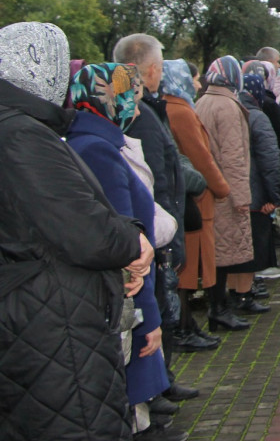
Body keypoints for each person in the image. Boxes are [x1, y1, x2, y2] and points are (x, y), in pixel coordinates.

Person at [0, 23, 152, 441]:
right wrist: (132, 240)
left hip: (37, 319)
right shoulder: (22, 135)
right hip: (52, 328)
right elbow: (84, 231)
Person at [66, 63, 176, 437]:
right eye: (130, 93)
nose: (136, 102)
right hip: (128, 295)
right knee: (131, 401)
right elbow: (128, 245)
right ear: (110, 98)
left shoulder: (90, 141)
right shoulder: (99, 150)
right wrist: (149, 319)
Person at [113, 33, 201, 404]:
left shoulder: (147, 109)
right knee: (154, 312)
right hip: (154, 232)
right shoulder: (143, 116)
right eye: (161, 66)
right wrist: (170, 235)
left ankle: (161, 383)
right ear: (151, 69)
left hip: (158, 227)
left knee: (159, 309)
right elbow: (155, 183)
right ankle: (155, 389)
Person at [160, 59, 235, 336]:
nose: (197, 84)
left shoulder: (178, 108)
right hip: (195, 199)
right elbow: (200, 158)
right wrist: (222, 187)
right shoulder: (180, 111)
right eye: (192, 78)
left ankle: (187, 325)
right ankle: (184, 328)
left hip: (190, 196)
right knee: (188, 268)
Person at [194, 56, 258, 329]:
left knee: (215, 252)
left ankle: (218, 305)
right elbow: (234, 157)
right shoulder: (228, 107)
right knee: (223, 253)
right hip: (225, 192)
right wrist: (242, 197)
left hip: (209, 188)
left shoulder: (202, 102)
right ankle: (219, 309)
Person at [237, 73, 280, 307]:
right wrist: (273, 196)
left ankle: (235, 291)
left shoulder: (230, 110)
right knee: (251, 246)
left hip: (234, 192)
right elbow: (269, 158)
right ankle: (246, 291)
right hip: (255, 194)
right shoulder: (257, 117)